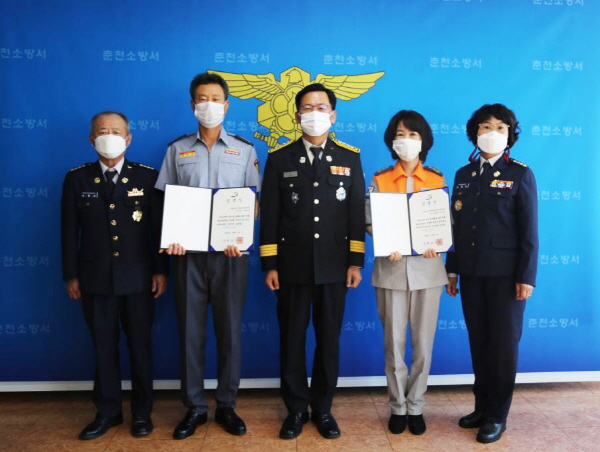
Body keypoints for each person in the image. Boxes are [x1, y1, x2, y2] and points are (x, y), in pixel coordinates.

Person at [155, 72, 261, 439]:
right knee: (190, 332)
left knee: (230, 331)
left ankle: (227, 405)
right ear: (192, 105)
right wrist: (173, 237)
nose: (209, 105)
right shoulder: (177, 149)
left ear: (226, 105)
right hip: (188, 255)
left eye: (216, 99)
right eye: (202, 99)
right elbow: (166, 200)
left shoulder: (245, 150)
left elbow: (254, 202)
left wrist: (239, 235)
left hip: (231, 255)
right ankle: (195, 407)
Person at [260, 83, 366, 440]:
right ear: (296, 116)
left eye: (321, 108)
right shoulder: (280, 158)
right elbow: (270, 216)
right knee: (291, 341)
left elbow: (355, 215)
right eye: (307, 108)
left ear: (333, 115)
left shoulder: (350, 158)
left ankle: (322, 409)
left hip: (335, 267)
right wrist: (270, 264)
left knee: (328, 341)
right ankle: (295, 410)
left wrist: (355, 263)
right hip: (291, 267)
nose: (314, 114)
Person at [61, 111, 168, 440]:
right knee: (103, 347)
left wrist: (160, 270)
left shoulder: (147, 177)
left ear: (128, 138)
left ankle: (142, 414)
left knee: (140, 347)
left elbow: (158, 230)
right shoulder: (77, 179)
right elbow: (68, 232)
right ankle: (108, 412)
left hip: (139, 279)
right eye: (102, 131)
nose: (110, 137)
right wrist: (71, 275)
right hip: (95, 279)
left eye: (116, 131)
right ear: (92, 139)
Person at [446, 104, 538, 444]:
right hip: (471, 273)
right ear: (475, 132)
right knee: (479, 342)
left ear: (510, 134)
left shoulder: (520, 174)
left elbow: (529, 232)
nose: (492, 132)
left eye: (500, 127)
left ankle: (497, 415)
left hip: (506, 277)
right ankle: (481, 407)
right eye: (485, 126)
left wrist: (526, 276)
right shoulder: (464, 174)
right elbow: (455, 228)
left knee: (502, 346)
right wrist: (452, 270)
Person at [366, 110, 448, 436]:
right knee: (394, 344)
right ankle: (397, 406)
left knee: (423, 346)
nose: (406, 141)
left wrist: (436, 244)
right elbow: (369, 221)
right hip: (391, 270)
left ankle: (417, 405)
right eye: (400, 135)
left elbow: (443, 226)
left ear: (424, 140)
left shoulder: (437, 180)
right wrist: (387, 241)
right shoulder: (380, 179)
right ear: (391, 141)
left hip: (428, 272)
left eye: (413, 135)